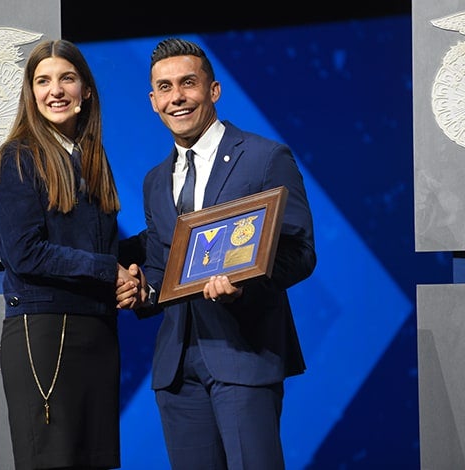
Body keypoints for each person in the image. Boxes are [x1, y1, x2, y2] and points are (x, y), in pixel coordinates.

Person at [118, 37, 317, 469]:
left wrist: (243, 287)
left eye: (188, 83)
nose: (177, 97)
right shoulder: (155, 180)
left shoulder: (265, 157)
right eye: (165, 88)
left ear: (214, 90)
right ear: (153, 101)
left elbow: (300, 251)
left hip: (244, 353)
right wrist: (143, 290)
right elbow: (162, 263)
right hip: (176, 368)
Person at [0, 38, 140, 470]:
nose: (55, 90)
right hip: (46, 336)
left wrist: (168, 242)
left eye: (66, 78)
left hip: (97, 335)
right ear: (30, 93)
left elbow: (98, 250)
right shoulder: (18, 157)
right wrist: (110, 270)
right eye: (42, 80)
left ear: (86, 90)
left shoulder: (91, 158)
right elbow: (25, 254)